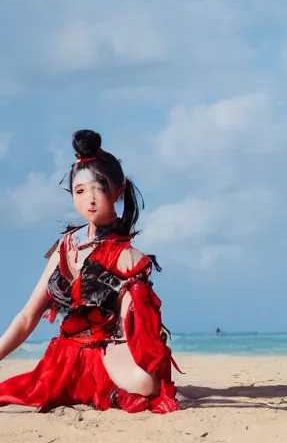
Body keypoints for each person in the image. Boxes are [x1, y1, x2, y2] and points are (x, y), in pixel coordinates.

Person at [0, 131, 178, 413]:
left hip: (108, 354)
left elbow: (139, 334)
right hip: (64, 357)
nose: (90, 199)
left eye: (100, 188)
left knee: (146, 384)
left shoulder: (128, 257)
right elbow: (27, 317)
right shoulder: (65, 246)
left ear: (117, 191)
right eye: (80, 191)